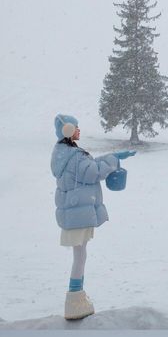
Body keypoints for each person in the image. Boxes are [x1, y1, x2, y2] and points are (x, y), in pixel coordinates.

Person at [51, 114, 137, 320]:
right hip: (78, 212)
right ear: (68, 131)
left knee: (80, 255)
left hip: (73, 211)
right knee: (80, 257)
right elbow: (93, 172)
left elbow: (87, 166)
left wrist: (113, 155)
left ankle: (77, 298)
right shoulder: (74, 156)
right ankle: (74, 301)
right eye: (76, 127)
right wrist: (113, 161)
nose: (79, 130)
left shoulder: (64, 153)